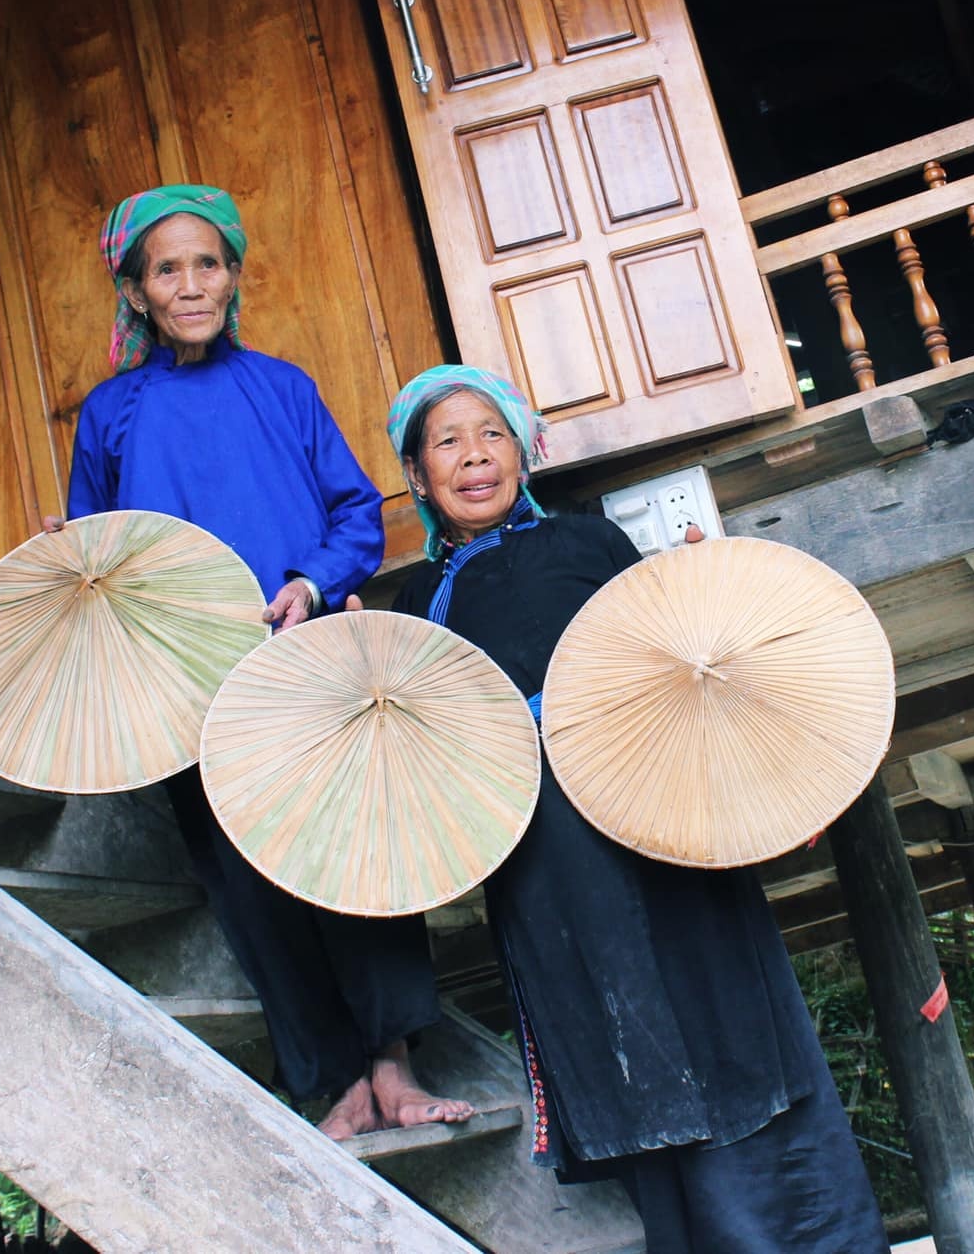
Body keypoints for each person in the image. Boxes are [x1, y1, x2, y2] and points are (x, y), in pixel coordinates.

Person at [385, 363, 890, 1252]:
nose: (474, 457)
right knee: (623, 1045)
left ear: (524, 452)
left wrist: (765, 788)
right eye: (448, 443)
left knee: (727, 1014)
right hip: (544, 857)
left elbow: (676, 666)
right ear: (419, 476)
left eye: (491, 433)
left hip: (651, 813)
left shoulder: (591, 545)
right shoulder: (415, 604)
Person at [53, 184, 470, 1139]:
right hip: (188, 682)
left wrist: (313, 582)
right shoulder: (110, 414)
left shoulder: (282, 388)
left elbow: (355, 511)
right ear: (136, 292)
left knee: (351, 849)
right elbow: (94, 547)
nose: (191, 283)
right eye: (168, 269)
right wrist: (62, 555)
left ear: (233, 276)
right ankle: (336, 1087)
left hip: (301, 655)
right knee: (246, 880)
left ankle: (393, 1064)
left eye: (208, 263)